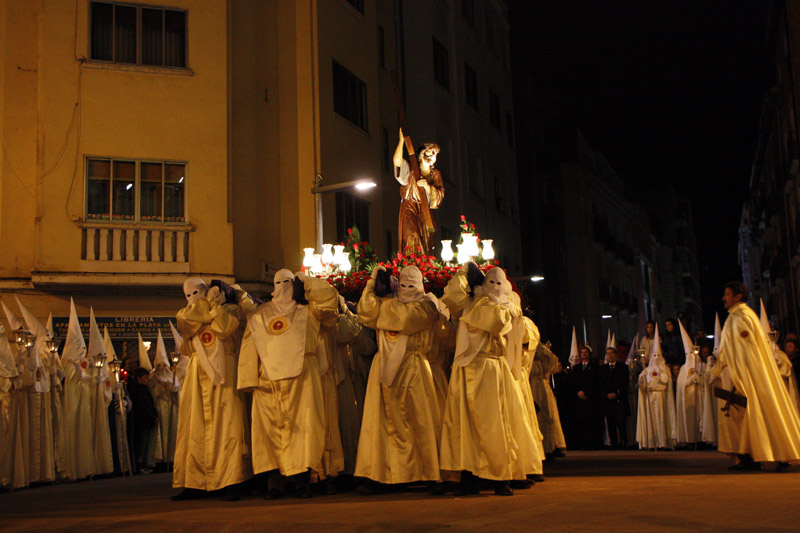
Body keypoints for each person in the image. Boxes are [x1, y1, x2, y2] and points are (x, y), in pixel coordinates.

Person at [439, 264, 539, 496]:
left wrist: (499, 303)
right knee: (464, 426)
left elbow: (497, 323)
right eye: (489, 282)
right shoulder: (469, 303)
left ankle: (499, 476)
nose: (494, 287)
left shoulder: (506, 308)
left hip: (493, 369)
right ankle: (469, 475)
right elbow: (451, 295)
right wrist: (466, 270)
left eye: (498, 283)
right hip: (467, 370)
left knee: (495, 424)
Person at [238, 269, 337, 499]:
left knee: (305, 430)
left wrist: (307, 282)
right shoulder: (259, 314)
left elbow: (329, 301)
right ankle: (276, 483)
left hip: (303, 379)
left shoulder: (310, 311)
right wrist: (248, 380)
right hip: (268, 382)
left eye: (288, 282)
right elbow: (249, 346)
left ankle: (302, 481)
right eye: (279, 282)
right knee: (269, 433)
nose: (283, 286)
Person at [355, 265, 442, 493]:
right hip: (384, 365)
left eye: (411, 285)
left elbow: (404, 319)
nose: (407, 289)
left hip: (414, 366)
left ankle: (427, 472)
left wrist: (383, 305)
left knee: (419, 420)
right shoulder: (389, 302)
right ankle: (382, 474)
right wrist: (372, 284)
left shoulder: (427, 306)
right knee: (381, 423)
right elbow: (365, 312)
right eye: (403, 285)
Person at [709, 282, 800, 471]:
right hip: (744, 375)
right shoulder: (738, 316)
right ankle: (750, 456)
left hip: (748, 376)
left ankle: (774, 454)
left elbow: (741, 351)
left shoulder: (741, 317)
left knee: (758, 413)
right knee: (746, 416)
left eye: (727, 294)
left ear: (738, 297)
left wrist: (721, 371)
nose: (724, 298)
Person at [172, 278, 249, 501]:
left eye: (197, 293)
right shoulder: (186, 314)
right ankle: (196, 482)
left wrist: (214, 307)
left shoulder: (230, 310)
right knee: (195, 426)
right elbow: (185, 322)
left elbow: (223, 328)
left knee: (227, 425)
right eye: (188, 295)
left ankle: (230, 480)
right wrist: (206, 308)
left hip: (224, 370)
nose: (192, 298)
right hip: (197, 372)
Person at [392, 128, 445, 255]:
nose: (432, 156)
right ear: (421, 154)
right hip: (410, 207)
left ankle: (424, 262)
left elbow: (439, 196)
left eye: (435, 154)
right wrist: (401, 141)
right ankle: (411, 261)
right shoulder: (411, 169)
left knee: (426, 241)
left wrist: (427, 186)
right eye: (429, 152)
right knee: (411, 236)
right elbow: (397, 162)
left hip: (425, 212)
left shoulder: (435, 174)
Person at [636, 324, 676, 450]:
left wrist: (659, 373)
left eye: (658, 355)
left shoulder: (665, 369)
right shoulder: (647, 370)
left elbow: (665, 380)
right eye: (655, 356)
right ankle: (652, 442)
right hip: (651, 396)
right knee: (652, 420)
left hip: (662, 396)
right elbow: (642, 384)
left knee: (662, 419)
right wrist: (642, 378)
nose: (657, 358)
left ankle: (663, 442)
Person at [529, 337, 567, 459]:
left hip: (542, 384)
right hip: (533, 385)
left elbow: (553, 365)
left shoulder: (543, 353)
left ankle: (552, 445)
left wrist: (545, 352)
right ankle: (544, 447)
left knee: (549, 416)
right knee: (540, 416)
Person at [128, 368, 158, 473]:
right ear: (139, 378)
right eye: (145, 378)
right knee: (141, 444)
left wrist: (154, 415)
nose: (147, 380)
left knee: (146, 444)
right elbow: (143, 406)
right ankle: (139, 465)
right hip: (142, 421)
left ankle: (144, 463)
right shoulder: (137, 391)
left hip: (148, 420)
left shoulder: (145, 390)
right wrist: (151, 416)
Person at [598, 347, 629, 448]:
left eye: (611, 353)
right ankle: (613, 443)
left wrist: (616, 393)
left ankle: (624, 442)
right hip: (607, 400)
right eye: (608, 353)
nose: (610, 355)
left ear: (615, 355)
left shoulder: (623, 367)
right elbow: (600, 384)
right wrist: (607, 394)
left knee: (621, 423)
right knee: (610, 423)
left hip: (619, 399)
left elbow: (624, 382)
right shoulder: (602, 369)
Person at [571, 346, 600, 449]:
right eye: (582, 352)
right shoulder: (576, 368)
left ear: (589, 354)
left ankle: (594, 444)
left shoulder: (595, 367)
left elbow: (595, 382)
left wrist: (587, 393)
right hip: (579, 400)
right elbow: (574, 382)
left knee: (592, 422)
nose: (584, 354)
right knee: (581, 422)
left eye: (586, 352)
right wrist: (578, 392)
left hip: (591, 399)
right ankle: (583, 444)